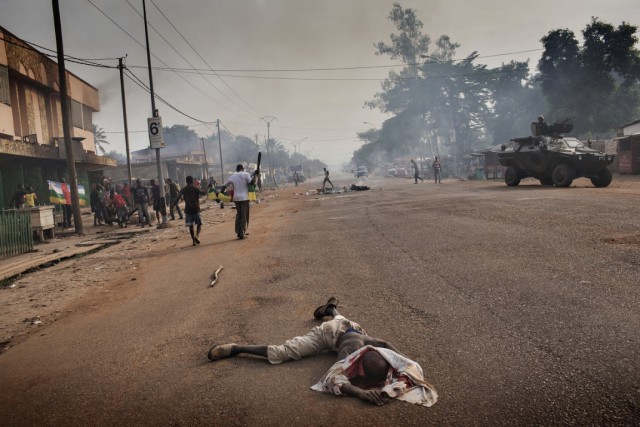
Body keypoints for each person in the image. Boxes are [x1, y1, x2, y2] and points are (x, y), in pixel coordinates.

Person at [207, 298, 438, 407]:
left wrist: (411, 375)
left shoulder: (376, 345)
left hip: (352, 326)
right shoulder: (349, 352)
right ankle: (236, 348)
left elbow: (400, 357)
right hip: (329, 334)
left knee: (342, 319)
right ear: (359, 359)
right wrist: (360, 393)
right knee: (285, 351)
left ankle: (332, 308)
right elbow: (332, 378)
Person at [220, 164, 258, 240]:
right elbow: (252, 183)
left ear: (236, 169)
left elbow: (224, 185)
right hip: (244, 198)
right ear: (242, 169)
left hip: (236, 198)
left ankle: (238, 231)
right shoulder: (246, 174)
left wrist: (221, 194)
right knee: (244, 215)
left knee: (239, 215)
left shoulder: (233, 176)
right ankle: (242, 232)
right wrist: (255, 176)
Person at [171, 175, 207, 246]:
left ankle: (193, 241)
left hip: (188, 210)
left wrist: (172, 206)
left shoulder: (183, 189)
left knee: (191, 226)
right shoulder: (195, 188)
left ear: (186, 181)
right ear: (192, 181)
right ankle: (197, 236)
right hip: (196, 209)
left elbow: (178, 197)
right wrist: (208, 189)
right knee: (199, 224)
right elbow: (203, 193)